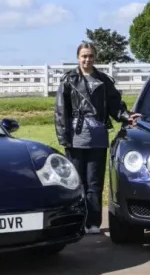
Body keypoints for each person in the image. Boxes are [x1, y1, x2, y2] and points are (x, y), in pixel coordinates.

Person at [53, 41, 140, 234]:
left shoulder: (104, 80)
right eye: (84, 56)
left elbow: (115, 105)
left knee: (94, 182)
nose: (87, 59)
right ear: (78, 58)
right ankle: (77, 222)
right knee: (76, 182)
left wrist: (126, 116)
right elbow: (60, 112)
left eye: (90, 56)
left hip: (98, 137)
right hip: (75, 137)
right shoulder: (68, 81)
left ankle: (93, 223)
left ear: (95, 57)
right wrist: (63, 138)